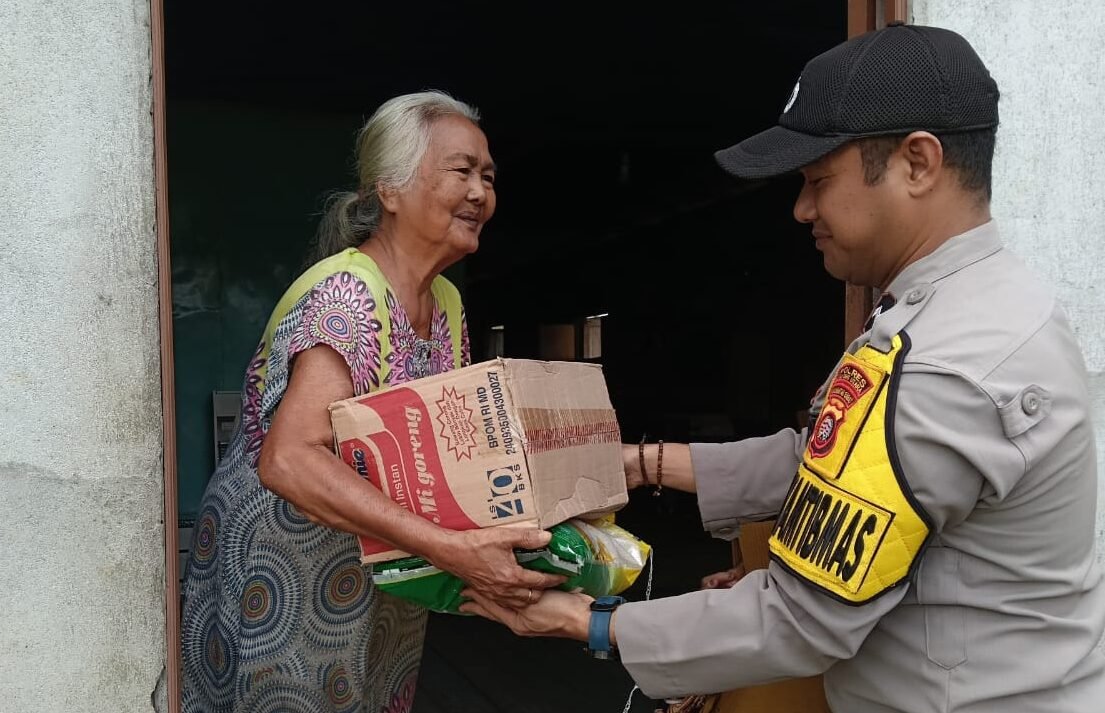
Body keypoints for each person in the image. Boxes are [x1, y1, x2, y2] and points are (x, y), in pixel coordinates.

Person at [462, 23, 1105, 713]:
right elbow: (828, 460)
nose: (801, 210)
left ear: (917, 163)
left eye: (816, 180)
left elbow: (799, 619)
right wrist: (638, 463)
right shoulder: (976, 307)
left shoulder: (944, 365)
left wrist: (582, 618)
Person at [180, 91, 565, 713]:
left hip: (380, 568)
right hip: (286, 573)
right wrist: (447, 548)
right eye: (461, 171)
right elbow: (289, 460)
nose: (480, 193)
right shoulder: (348, 297)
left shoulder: (446, 304)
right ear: (390, 189)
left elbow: (450, 446)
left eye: (488, 177)